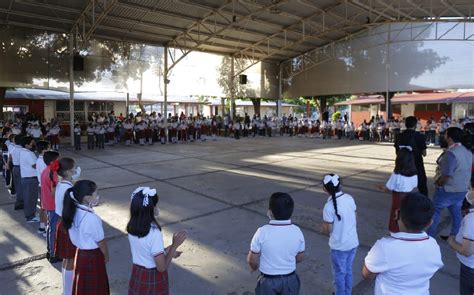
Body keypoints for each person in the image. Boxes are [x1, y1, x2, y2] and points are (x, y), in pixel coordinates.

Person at [362, 193, 443, 294]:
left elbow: (367, 274)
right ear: (430, 223)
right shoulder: (433, 245)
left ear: (396, 214)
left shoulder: (384, 246)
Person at [127, 187, 187, 295]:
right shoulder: (154, 232)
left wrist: (167, 251)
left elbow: (146, 250)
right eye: (156, 205)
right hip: (152, 278)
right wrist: (174, 246)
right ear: (151, 208)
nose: (157, 207)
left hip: (137, 274)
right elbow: (161, 267)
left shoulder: (132, 227)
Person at [247, 192, 305, 295]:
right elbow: (300, 257)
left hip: (268, 281)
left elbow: (252, 259)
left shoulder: (262, 232)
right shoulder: (297, 231)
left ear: (270, 212)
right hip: (290, 280)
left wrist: (254, 267)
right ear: (291, 212)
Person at [63, 180, 109, 295]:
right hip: (93, 256)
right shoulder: (92, 218)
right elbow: (101, 242)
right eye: (96, 194)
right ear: (87, 198)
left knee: (82, 288)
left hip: (80, 254)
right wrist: (106, 256)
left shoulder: (72, 211)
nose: (97, 196)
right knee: (96, 288)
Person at [427, 127, 472, 238]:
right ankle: (456, 235)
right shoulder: (467, 151)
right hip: (462, 188)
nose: (444, 136)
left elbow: (447, 175)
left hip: (448, 189)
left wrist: (439, 183)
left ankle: (430, 235)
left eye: (445, 134)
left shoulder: (451, 153)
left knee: (436, 212)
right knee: (456, 212)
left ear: (449, 137)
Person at [321, 174, 358, 295]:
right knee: (348, 270)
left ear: (325, 189)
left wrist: (323, 227)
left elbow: (328, 229)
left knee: (339, 274)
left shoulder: (328, 207)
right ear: (340, 185)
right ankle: (347, 292)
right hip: (352, 243)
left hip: (339, 247)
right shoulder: (349, 198)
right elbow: (355, 216)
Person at [53, 157, 80, 295]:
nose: (76, 171)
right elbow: (75, 208)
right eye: (74, 168)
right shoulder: (69, 190)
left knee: (66, 259)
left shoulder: (62, 184)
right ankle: (68, 291)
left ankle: (67, 289)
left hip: (62, 223)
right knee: (70, 260)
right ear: (69, 172)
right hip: (68, 225)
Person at [379, 146, 418, 232]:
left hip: (397, 198)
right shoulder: (414, 173)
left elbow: (388, 187)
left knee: (395, 215)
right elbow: (415, 185)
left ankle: (395, 231)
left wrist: (382, 188)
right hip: (408, 197)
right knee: (405, 215)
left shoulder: (397, 174)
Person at [445, 190, 474, 294]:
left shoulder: (471, 219)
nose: (469, 192)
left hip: (470, 268)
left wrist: (451, 241)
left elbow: (467, 251)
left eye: (471, 189)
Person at [394, 116, 428, 196]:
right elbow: (424, 153)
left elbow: (397, 152)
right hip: (417, 164)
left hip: (402, 164)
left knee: (401, 187)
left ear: (405, 124)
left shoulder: (399, 136)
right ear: (415, 125)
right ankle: (425, 203)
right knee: (422, 185)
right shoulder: (419, 136)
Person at [40, 151, 61, 263]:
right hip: (53, 205)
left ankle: (50, 250)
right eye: (58, 159)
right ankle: (53, 254)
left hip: (47, 203)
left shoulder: (45, 171)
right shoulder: (52, 173)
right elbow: (54, 192)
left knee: (50, 228)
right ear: (53, 162)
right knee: (53, 229)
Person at [20, 136, 39, 222]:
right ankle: (30, 217)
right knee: (30, 198)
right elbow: (35, 165)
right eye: (31, 142)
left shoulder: (24, 151)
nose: (33, 144)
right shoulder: (28, 153)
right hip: (30, 179)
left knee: (30, 198)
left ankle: (31, 214)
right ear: (26, 145)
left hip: (27, 178)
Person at [35, 140, 50, 236]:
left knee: (43, 207)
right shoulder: (43, 161)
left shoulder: (40, 159)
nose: (50, 150)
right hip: (45, 186)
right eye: (49, 148)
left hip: (42, 186)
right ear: (44, 150)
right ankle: (45, 228)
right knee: (46, 208)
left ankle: (41, 226)